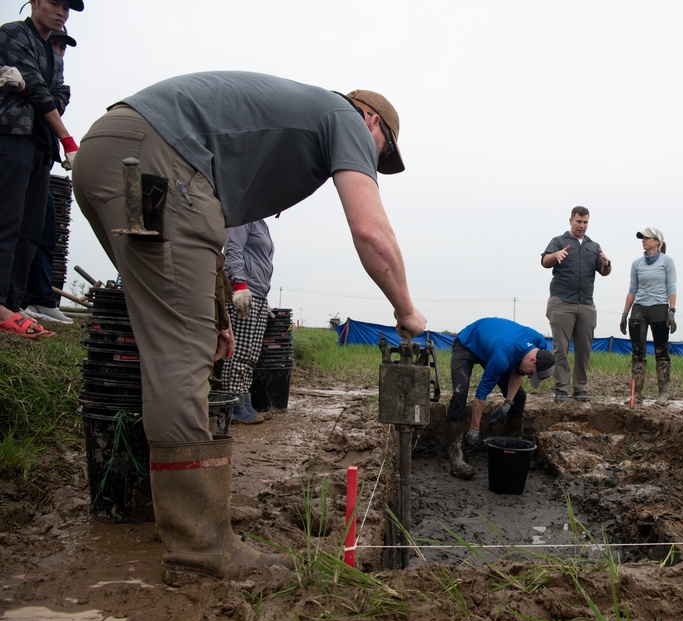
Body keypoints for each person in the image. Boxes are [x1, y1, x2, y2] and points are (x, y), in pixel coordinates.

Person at [71, 71, 426, 583]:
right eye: (380, 151)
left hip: (112, 154)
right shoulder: (345, 117)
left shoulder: (281, 123)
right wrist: (405, 309)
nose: (372, 162)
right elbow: (370, 229)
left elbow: (206, 226)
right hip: (155, 159)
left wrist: (216, 316)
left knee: (176, 342)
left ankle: (184, 515)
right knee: (179, 357)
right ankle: (200, 549)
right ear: (371, 120)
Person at [0, 0, 82, 339]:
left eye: (67, 7)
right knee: (7, 220)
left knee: (31, 227)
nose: (61, 11)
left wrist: (29, 89)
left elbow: (58, 94)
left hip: (39, 144)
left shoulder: (52, 52)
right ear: (33, 2)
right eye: (54, 3)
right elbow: (37, 89)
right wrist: (68, 139)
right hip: (12, 134)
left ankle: (15, 302)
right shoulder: (12, 34)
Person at [445, 317, 555, 479]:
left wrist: (508, 402)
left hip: (495, 345)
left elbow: (520, 372)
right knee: (460, 392)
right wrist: (475, 429)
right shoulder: (501, 358)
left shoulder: (540, 345)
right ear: (532, 359)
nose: (530, 376)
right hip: (468, 343)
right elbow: (481, 395)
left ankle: (514, 449)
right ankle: (456, 455)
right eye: (533, 373)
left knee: (519, 396)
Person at [22, 26, 76, 325]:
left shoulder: (62, 87)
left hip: (40, 158)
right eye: (53, 45)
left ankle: (38, 298)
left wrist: (28, 89)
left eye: (62, 48)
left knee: (43, 227)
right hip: (13, 151)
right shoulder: (16, 53)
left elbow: (50, 101)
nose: (58, 52)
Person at [541, 205, 611, 402]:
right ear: (570, 220)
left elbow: (604, 272)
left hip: (586, 304)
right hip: (562, 302)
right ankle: (561, 389)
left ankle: (580, 388)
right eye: (579, 222)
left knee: (584, 349)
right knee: (560, 348)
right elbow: (545, 261)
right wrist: (555, 256)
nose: (582, 226)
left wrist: (606, 264)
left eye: (585, 222)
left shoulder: (593, 246)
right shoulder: (559, 241)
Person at [221, 219, 274, 425]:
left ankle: (244, 402)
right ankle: (233, 405)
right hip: (243, 291)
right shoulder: (243, 218)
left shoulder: (262, 224)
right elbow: (233, 249)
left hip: (258, 294)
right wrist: (240, 284)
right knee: (239, 353)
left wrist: (263, 299)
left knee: (251, 354)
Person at [619, 227, 677, 403]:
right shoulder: (637, 264)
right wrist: (624, 314)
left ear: (657, 241)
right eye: (642, 238)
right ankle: (636, 395)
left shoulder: (667, 262)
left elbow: (672, 288)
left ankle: (663, 394)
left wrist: (672, 311)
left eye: (647, 238)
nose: (643, 240)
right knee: (638, 352)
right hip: (639, 309)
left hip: (659, 308)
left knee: (661, 351)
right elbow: (632, 290)